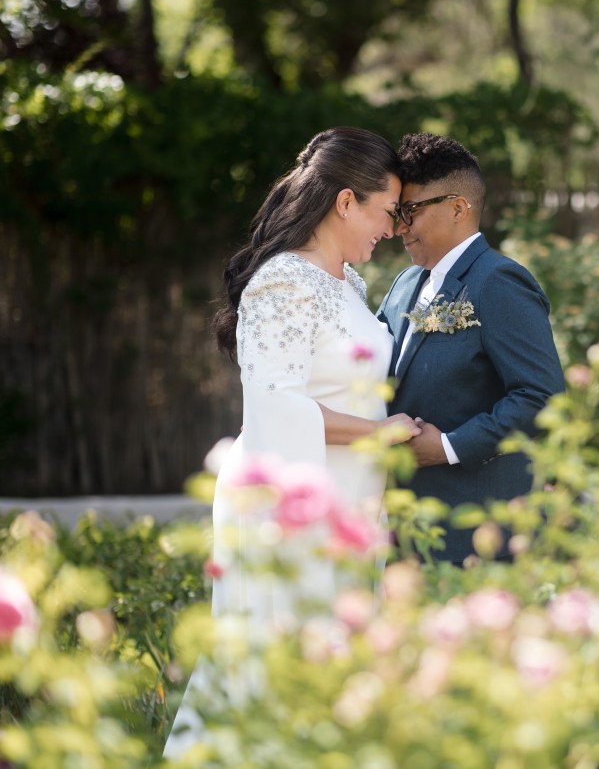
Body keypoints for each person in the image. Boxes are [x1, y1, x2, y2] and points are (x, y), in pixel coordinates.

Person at [164, 126, 418, 757]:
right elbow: (276, 401)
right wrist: (380, 433)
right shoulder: (283, 281)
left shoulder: (350, 285)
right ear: (345, 203)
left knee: (340, 667)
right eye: (386, 211)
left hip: (351, 497)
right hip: (289, 498)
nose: (390, 229)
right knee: (279, 661)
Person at [376, 133, 564, 564]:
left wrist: (449, 446)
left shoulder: (498, 282)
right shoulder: (406, 283)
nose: (399, 227)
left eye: (411, 211)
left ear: (458, 207)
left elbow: (542, 396)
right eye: (396, 212)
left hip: (475, 527)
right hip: (404, 527)